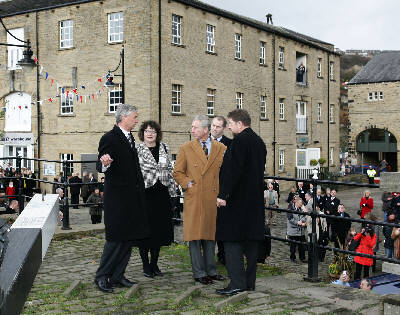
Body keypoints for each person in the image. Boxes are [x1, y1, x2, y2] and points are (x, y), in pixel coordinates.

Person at [94, 104, 149, 293]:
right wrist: (105, 163)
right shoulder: (109, 137)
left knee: (128, 239)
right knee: (115, 239)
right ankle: (102, 276)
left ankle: (117, 276)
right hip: (117, 200)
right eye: (134, 116)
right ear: (123, 118)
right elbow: (100, 162)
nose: (136, 119)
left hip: (132, 199)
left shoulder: (130, 138)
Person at [215, 109, 266, 295]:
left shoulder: (239, 142)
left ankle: (237, 283)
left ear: (239, 124)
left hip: (236, 202)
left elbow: (233, 172)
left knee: (231, 242)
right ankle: (249, 283)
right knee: (251, 244)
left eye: (230, 123)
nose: (228, 127)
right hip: (253, 202)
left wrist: (223, 195)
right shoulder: (259, 142)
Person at [174, 115, 226, 286]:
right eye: (192, 127)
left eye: (195, 127)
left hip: (212, 198)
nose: (192, 130)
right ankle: (199, 273)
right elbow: (178, 172)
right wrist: (188, 184)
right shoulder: (186, 148)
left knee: (210, 236)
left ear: (206, 130)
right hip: (194, 197)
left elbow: (225, 173)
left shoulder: (221, 148)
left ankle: (211, 270)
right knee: (195, 236)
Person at [136, 120, 177, 278]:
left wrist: (173, 193)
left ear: (157, 133)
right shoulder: (137, 149)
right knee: (145, 231)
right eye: (147, 131)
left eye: (153, 131)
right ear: (143, 133)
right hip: (145, 194)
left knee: (159, 231)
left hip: (162, 194)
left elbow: (170, 171)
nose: (150, 134)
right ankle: (146, 265)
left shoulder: (164, 147)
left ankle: (154, 264)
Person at [210, 115, 231, 265]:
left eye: (218, 126)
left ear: (223, 128)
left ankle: (223, 254)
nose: (214, 129)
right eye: (212, 125)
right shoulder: (203, 143)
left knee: (223, 223)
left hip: (223, 188)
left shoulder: (230, 144)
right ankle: (208, 255)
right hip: (207, 189)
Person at [287, 197, 307, 263]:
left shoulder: (302, 209)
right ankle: (292, 257)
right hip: (293, 230)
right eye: (301, 203)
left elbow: (305, 217)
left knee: (302, 245)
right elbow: (290, 219)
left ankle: (302, 258)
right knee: (293, 246)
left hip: (301, 231)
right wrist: (297, 222)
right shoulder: (290, 208)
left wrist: (301, 220)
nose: (302, 204)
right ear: (297, 203)